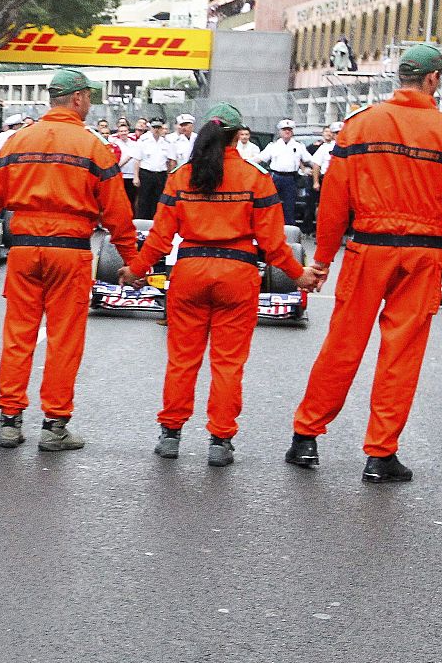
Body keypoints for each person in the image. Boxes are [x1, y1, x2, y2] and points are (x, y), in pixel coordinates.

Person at [287, 45, 442, 483]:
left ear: (399, 77)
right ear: (434, 80)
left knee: (343, 343)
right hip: (421, 254)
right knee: (401, 354)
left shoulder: (359, 126)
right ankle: (380, 454)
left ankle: (306, 437)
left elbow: (334, 203)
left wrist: (323, 258)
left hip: (366, 249)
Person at [0, 68, 139, 451]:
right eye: (88, 97)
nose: (90, 104)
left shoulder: (16, 141)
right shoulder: (94, 146)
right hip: (69, 252)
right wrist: (132, 260)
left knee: (18, 336)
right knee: (63, 340)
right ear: (76, 99)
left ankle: (10, 420)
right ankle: (55, 426)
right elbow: (117, 212)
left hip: (23, 250)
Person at [119, 104, 310, 467]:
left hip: (189, 273)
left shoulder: (181, 177)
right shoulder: (256, 177)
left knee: (181, 360)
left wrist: (135, 269)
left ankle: (170, 435)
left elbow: (160, 238)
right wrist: (298, 274)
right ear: (238, 135)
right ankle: (220, 440)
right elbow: (273, 244)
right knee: (227, 363)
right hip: (236, 276)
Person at [256, 119, 312, 225]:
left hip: (291, 178)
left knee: (289, 205)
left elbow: (309, 160)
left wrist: (315, 168)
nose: (287, 132)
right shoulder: (273, 146)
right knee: (271, 202)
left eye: (289, 130)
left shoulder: (299, 146)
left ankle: (289, 226)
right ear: (280, 131)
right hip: (276, 177)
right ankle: (269, 224)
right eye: (284, 129)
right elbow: (260, 158)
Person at [130, 118, 176, 219]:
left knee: (158, 200)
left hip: (160, 175)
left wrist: (169, 175)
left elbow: (172, 161)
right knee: (143, 200)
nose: (156, 130)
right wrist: (136, 177)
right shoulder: (143, 141)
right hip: (146, 174)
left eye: (158, 127)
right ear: (150, 128)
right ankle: (142, 223)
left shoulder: (167, 142)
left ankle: (155, 222)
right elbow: (137, 160)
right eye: (154, 127)